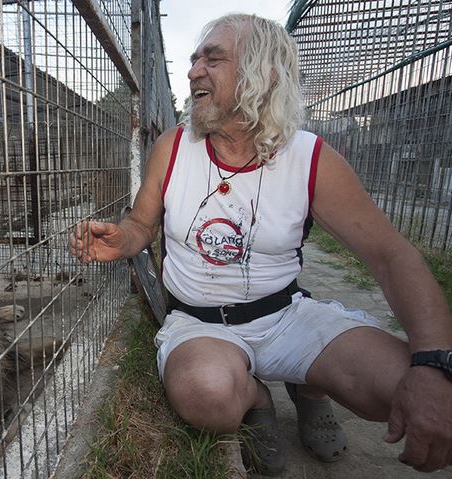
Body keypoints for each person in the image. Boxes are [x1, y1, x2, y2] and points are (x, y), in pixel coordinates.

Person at [70, 13, 452, 475]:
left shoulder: (310, 158)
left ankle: (310, 386)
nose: (193, 71)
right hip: (200, 323)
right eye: (194, 60)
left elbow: (390, 256)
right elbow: (140, 225)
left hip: (284, 314)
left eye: (213, 59)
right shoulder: (173, 147)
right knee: (207, 398)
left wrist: (434, 364)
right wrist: (121, 240)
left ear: (263, 73)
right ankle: (256, 397)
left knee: (398, 388)